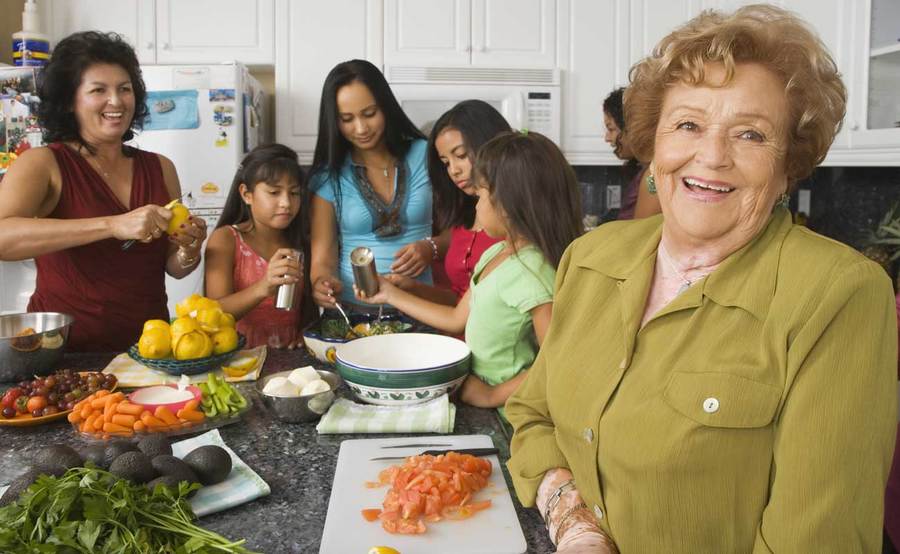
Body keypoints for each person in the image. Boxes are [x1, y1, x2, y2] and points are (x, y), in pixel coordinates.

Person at [506, 6, 897, 553]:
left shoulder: (838, 295)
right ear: (654, 144)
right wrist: (573, 520)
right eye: (689, 124)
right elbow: (533, 414)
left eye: (751, 135)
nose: (712, 156)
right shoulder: (589, 259)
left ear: (788, 166)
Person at [0, 31, 206, 351]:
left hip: (151, 351)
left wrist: (188, 250)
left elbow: (173, 267)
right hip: (63, 354)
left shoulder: (160, 167)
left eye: (124, 89)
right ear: (70, 101)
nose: (116, 101)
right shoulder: (43, 163)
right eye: (99, 90)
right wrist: (113, 224)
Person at [355, 131, 583, 409]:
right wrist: (389, 294)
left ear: (510, 204)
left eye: (482, 195)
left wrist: (492, 395)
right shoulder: (495, 254)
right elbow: (455, 319)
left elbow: (556, 363)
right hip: (478, 398)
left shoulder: (533, 271)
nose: (476, 204)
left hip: (512, 413)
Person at [309, 59, 433, 310]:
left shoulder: (426, 155)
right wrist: (321, 283)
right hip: (355, 311)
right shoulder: (328, 175)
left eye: (369, 114)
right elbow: (323, 256)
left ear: (386, 108)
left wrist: (432, 247)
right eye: (346, 118)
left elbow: (467, 230)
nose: (361, 128)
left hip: (425, 307)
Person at [387, 100, 509, 305]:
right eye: (445, 163)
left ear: (489, 146)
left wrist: (393, 295)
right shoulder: (466, 218)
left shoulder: (516, 222)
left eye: (460, 155)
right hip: (451, 337)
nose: (453, 170)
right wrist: (413, 288)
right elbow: (460, 302)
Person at [203, 144, 316, 349]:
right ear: (246, 194)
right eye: (274, 192)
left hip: (288, 360)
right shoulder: (226, 239)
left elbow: (307, 311)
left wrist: (306, 334)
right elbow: (212, 312)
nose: (286, 203)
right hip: (239, 361)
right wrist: (263, 287)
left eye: (294, 193)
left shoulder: (300, 243)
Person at [602, 87, 660, 220]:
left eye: (611, 129)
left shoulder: (653, 177)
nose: (606, 137)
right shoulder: (647, 170)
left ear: (634, 128)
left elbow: (641, 234)